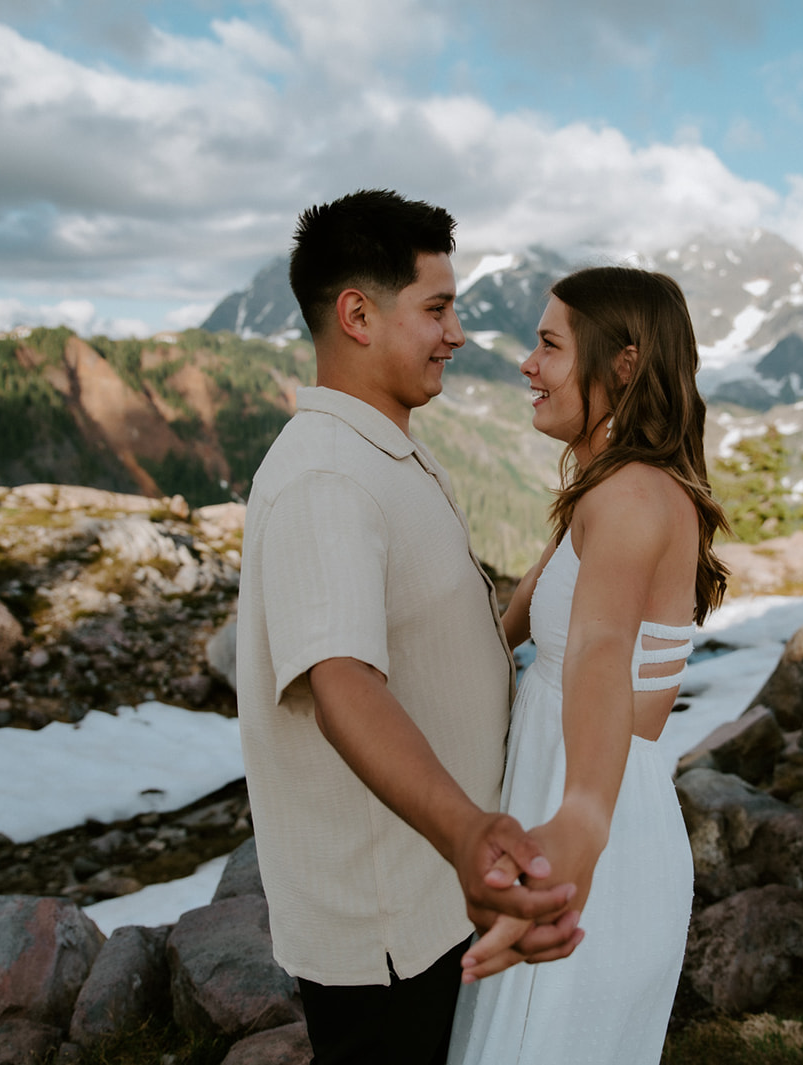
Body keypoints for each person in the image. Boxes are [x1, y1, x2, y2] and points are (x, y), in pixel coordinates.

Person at [234, 189, 580, 1065]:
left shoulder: (381, 448)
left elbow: (436, 639)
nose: (456, 332)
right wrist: (466, 829)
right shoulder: (326, 480)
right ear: (357, 314)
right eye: (437, 307)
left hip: (431, 902)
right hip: (387, 924)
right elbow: (343, 680)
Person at [447, 266, 730, 1065]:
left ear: (625, 365)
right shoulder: (606, 490)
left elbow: (602, 650)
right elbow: (523, 622)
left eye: (548, 345)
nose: (527, 365)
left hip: (595, 833)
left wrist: (581, 823)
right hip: (567, 817)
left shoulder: (633, 498)